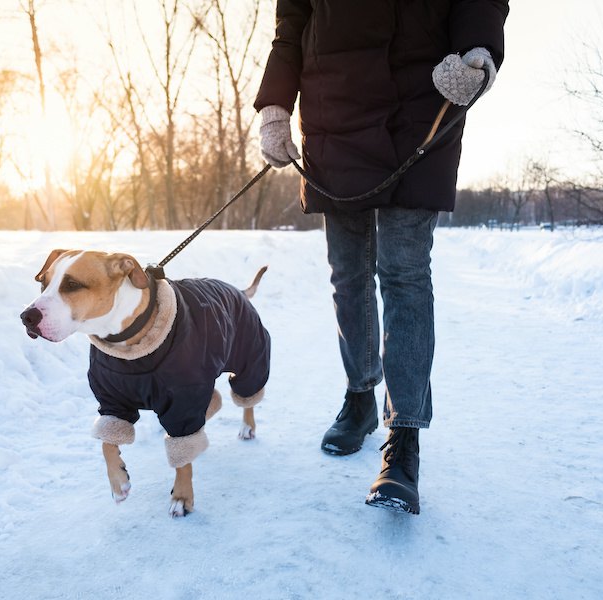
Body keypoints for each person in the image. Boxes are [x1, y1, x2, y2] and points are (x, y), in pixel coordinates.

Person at [255, 1, 509, 514]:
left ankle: (405, 439)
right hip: (334, 105)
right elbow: (291, 25)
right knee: (347, 273)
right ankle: (359, 396)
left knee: (404, 272)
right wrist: (276, 106)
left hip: (421, 97)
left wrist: (478, 54)